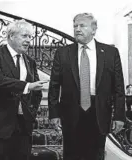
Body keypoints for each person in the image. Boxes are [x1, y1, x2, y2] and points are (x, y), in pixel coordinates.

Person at [48, 13, 126, 160]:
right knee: (71, 155)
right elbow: (54, 86)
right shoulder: (63, 53)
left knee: (96, 155)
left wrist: (119, 116)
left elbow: (118, 87)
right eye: (75, 26)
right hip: (71, 112)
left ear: (94, 29)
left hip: (99, 112)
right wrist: (54, 114)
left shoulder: (110, 53)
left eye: (82, 25)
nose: (77, 29)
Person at [0, 19, 48, 160]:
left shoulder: (30, 61)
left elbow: (37, 92)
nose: (29, 40)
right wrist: (27, 86)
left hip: (23, 126)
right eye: (24, 36)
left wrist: (30, 113)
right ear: (11, 36)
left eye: (30, 37)